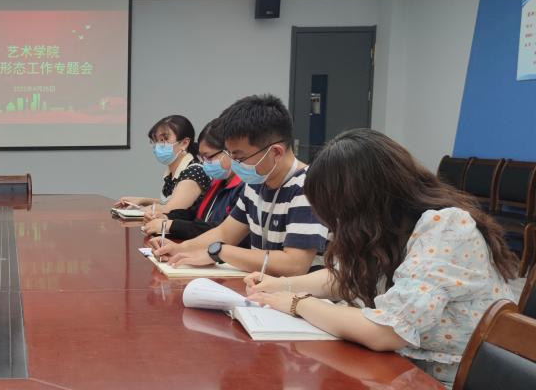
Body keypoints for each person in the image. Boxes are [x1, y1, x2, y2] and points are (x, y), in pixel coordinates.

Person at [245, 129, 517, 386]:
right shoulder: (386, 227)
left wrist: (298, 303)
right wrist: (279, 286)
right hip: (401, 368)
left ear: (361, 202)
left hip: (447, 380)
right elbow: (344, 276)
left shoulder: (445, 227)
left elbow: (385, 331)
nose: (334, 225)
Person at [152, 95, 329, 277]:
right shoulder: (257, 183)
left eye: (240, 157)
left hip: (297, 292)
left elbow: (294, 265)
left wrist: (220, 251)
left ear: (276, 152)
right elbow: (225, 232)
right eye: (230, 155)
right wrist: (180, 248)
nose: (234, 164)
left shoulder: (309, 188)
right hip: (260, 286)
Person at [144, 118, 246, 241]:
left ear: (230, 152)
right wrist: (166, 217)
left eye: (209, 157)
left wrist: (170, 225)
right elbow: (194, 213)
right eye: (203, 157)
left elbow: (221, 230)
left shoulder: (244, 188)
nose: (205, 163)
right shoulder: (217, 182)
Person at [115, 115, 210, 231]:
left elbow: (171, 209)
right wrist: (141, 201)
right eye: (155, 140)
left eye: (163, 140)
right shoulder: (174, 170)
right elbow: (172, 201)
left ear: (184, 143)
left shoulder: (194, 172)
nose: (157, 146)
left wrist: (139, 211)